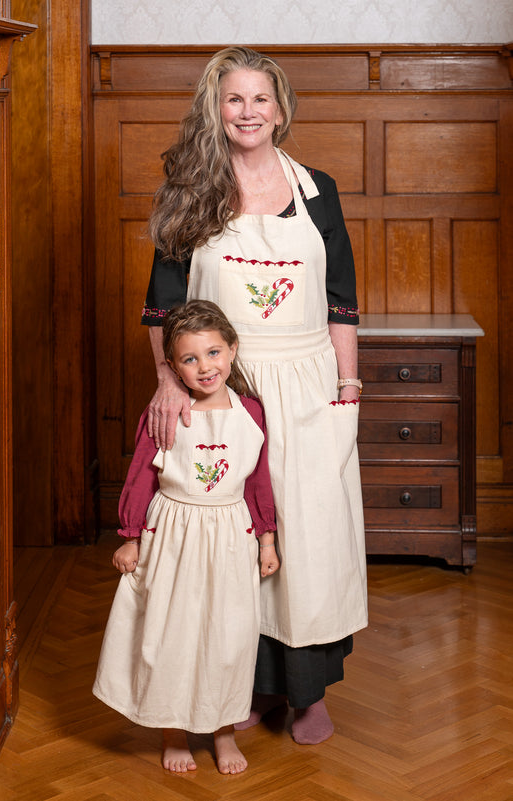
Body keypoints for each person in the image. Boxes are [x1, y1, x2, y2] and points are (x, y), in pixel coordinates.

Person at [141, 45, 368, 746]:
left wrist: (349, 390)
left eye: (259, 99)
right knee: (231, 541)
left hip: (307, 386)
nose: (248, 112)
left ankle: (303, 695)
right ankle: (242, 684)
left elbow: (341, 305)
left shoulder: (318, 190)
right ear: (216, 107)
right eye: (233, 99)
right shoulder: (190, 190)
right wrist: (167, 384)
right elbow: (160, 308)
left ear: (280, 107)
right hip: (221, 388)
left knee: (309, 540)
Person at [93, 300, 279, 775]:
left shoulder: (252, 412)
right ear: (172, 366)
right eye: (190, 359)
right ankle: (173, 730)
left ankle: (222, 731)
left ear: (232, 351)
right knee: (170, 634)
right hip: (173, 534)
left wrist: (267, 540)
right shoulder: (167, 412)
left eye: (213, 353)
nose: (205, 367)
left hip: (229, 537)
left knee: (228, 637)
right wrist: (132, 536)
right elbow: (140, 478)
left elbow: (258, 482)